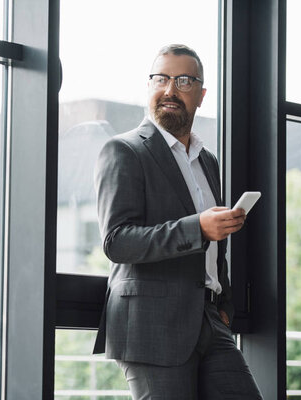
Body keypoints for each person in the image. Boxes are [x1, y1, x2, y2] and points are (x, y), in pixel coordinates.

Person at [93, 44, 262, 399]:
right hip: (151, 325)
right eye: (161, 78)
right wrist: (197, 227)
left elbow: (217, 250)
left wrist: (224, 306)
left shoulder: (207, 162)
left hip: (210, 319)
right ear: (150, 87)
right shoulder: (124, 151)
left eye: (183, 80)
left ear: (200, 95)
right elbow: (117, 241)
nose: (170, 89)